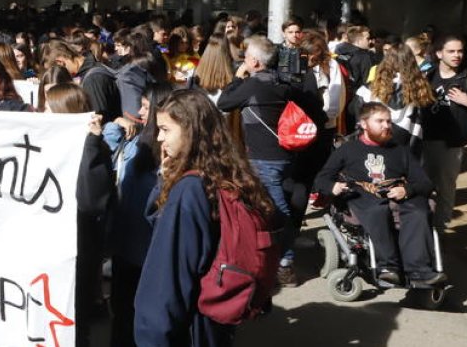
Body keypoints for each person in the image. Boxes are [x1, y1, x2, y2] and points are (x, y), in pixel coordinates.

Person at [135, 89, 275, 347]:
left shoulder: (188, 191)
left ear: (190, 131)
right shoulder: (228, 174)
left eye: (165, 129)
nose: (158, 137)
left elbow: (167, 279)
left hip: (190, 325)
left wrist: (150, 337)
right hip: (215, 319)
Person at [216, 36, 328, 287]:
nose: (244, 60)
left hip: (264, 159)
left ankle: (284, 264)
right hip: (288, 156)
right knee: (273, 207)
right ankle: (268, 256)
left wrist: (238, 76)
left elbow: (224, 103)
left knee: (278, 212)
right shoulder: (283, 82)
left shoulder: (253, 85)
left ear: (254, 61)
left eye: (246, 57)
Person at [314, 102, 445, 287]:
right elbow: (321, 179)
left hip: (398, 193)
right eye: (380, 121)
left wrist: (407, 190)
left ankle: (420, 272)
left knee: (418, 210)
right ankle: (389, 267)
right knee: (377, 210)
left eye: (389, 121)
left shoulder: (401, 151)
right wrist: (332, 186)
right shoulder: (348, 149)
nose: (386, 125)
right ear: (364, 123)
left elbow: (425, 182)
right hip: (363, 195)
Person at [44, 83, 112, 347]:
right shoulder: (52, 144)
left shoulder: (92, 147)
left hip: (78, 250)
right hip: (54, 249)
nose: (42, 113)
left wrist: (92, 145)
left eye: (48, 108)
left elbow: (90, 200)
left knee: (71, 322)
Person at [108, 81, 171, 347]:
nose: (141, 112)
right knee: (122, 314)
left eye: (147, 107)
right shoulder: (136, 143)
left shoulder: (168, 154)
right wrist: (114, 125)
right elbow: (109, 153)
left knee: (139, 320)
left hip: (148, 254)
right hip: (125, 247)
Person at [418, 36, 467, 227]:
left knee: (444, 187)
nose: (457, 55)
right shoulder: (427, 76)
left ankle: (440, 227)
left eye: (460, 51)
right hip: (422, 139)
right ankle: (421, 226)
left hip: (450, 143)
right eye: (451, 51)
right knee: (420, 185)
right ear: (439, 53)